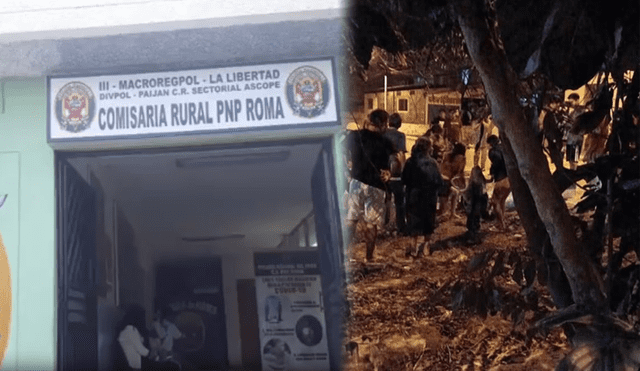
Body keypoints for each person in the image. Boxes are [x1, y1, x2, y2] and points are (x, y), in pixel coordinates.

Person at [345, 109, 395, 262]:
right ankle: (369, 257)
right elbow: (396, 161)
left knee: (351, 220)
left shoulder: (354, 136)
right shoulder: (386, 141)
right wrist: (389, 173)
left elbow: (339, 150)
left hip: (356, 184)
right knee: (371, 224)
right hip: (376, 186)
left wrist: (347, 170)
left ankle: (343, 255)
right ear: (383, 124)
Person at [402, 137, 445, 257]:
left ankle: (413, 247)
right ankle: (426, 246)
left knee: (413, 222)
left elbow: (404, 179)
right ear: (428, 148)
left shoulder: (410, 162)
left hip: (413, 196)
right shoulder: (432, 163)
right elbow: (439, 181)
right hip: (429, 197)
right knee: (428, 221)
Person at [383, 112, 408, 234]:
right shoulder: (400, 136)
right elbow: (401, 154)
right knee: (399, 200)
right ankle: (400, 226)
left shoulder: (382, 133)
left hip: (383, 170)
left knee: (386, 198)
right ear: (399, 124)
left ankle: (385, 223)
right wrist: (404, 171)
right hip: (396, 172)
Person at [487, 135, 511, 230]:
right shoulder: (505, 149)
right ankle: (502, 221)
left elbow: (496, 164)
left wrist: (492, 173)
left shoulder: (494, 152)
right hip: (509, 179)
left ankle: (501, 224)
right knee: (502, 201)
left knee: (495, 201)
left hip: (500, 179)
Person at [117, 305, 150, 370]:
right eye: (142, 316)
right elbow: (141, 350)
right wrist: (150, 353)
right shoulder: (130, 330)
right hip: (132, 367)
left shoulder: (129, 329)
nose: (143, 319)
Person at [463, 166, 488, 243]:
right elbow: (484, 196)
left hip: (472, 206)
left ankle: (472, 238)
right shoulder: (481, 184)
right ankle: (475, 236)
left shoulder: (473, 183)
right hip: (478, 206)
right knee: (476, 221)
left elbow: (467, 195)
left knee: (471, 221)